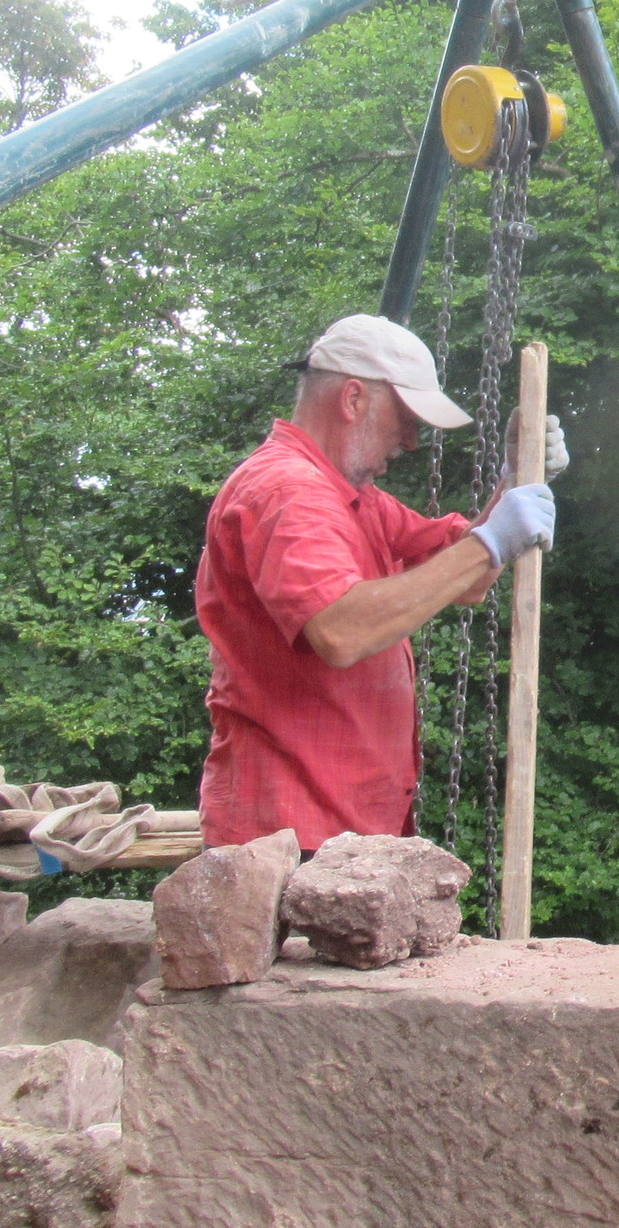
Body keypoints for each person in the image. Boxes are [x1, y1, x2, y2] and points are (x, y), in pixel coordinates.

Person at [195, 314, 566, 852]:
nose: (411, 441)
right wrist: (491, 540)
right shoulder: (287, 491)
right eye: (406, 418)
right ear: (353, 399)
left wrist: (515, 478)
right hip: (286, 833)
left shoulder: (350, 498)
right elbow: (341, 630)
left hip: (339, 824)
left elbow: (463, 578)